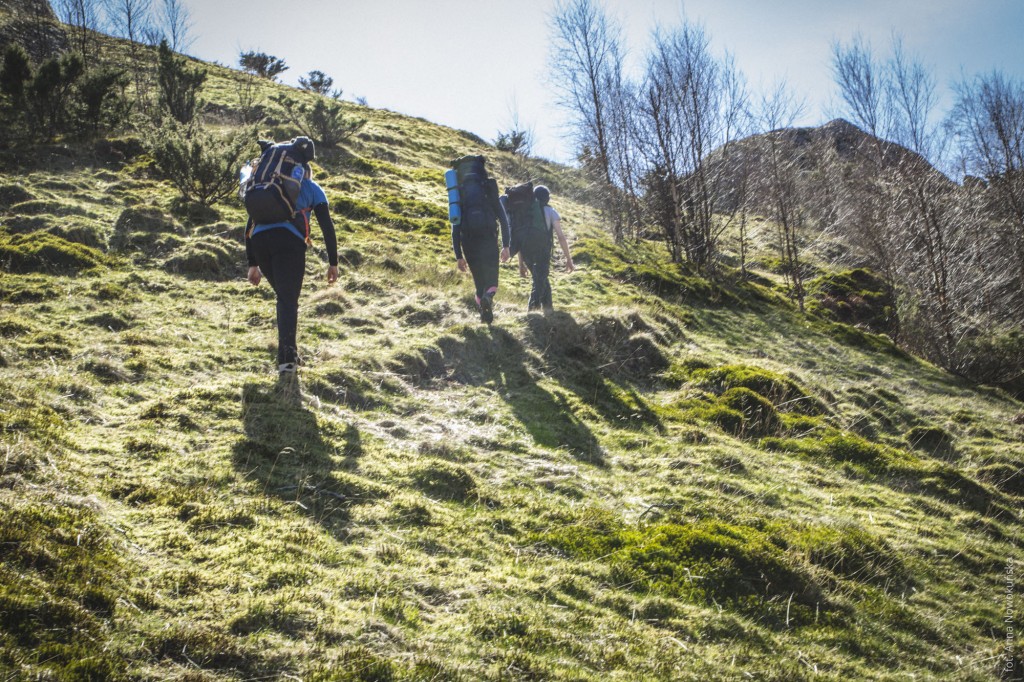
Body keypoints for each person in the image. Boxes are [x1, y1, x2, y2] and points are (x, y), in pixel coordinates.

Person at [245, 141, 339, 376]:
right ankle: (287, 364)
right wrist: (333, 262)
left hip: (260, 242)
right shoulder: (311, 187)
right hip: (289, 243)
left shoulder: (265, 185)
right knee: (288, 302)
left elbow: (250, 223)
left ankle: (288, 354)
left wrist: (252, 263)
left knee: (285, 299)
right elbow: (327, 226)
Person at [451, 155, 511, 323]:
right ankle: (488, 297)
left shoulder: (459, 192)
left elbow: (455, 225)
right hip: (488, 238)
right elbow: (502, 217)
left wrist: (459, 256)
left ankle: (483, 311)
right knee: (492, 281)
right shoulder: (488, 187)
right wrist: (506, 245)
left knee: (479, 282)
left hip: (468, 241)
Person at [518, 184, 574, 312]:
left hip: (526, 251)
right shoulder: (550, 211)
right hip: (542, 251)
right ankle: (532, 311)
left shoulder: (526, 212)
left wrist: (521, 263)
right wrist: (568, 259)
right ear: (547, 198)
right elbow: (561, 237)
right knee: (539, 280)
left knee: (540, 278)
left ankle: (549, 309)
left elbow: (520, 238)